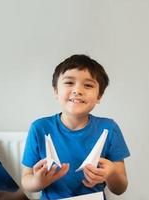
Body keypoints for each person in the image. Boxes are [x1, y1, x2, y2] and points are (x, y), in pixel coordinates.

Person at [21, 54, 130, 200]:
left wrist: (111, 174)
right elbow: (26, 180)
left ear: (99, 96)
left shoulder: (109, 128)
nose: (77, 90)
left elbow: (120, 188)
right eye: (69, 83)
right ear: (55, 91)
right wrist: (37, 182)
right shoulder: (39, 128)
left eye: (88, 85)